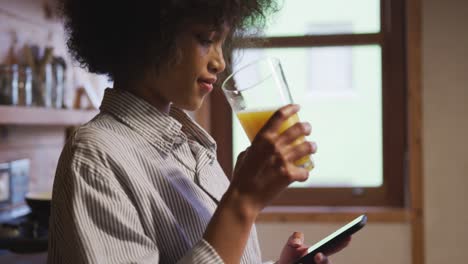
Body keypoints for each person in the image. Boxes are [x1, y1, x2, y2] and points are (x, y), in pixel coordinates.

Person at [48, 1, 351, 263]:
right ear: (149, 32)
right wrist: (242, 201)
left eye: (223, 43)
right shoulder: (95, 157)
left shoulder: (191, 147)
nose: (220, 62)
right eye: (207, 39)